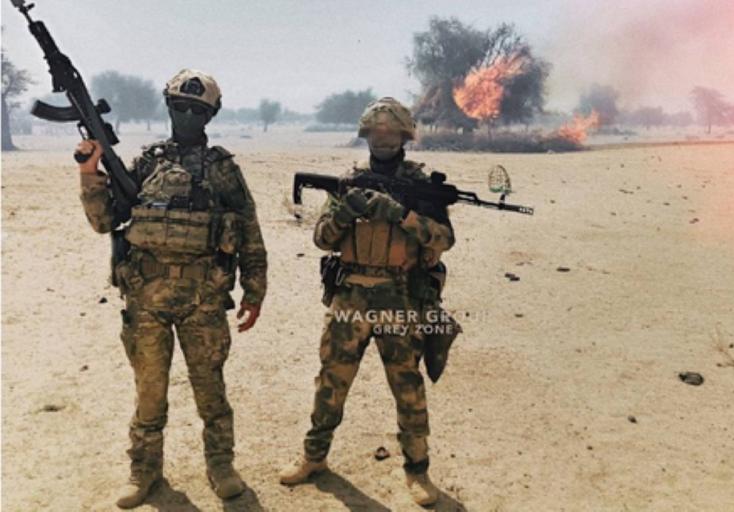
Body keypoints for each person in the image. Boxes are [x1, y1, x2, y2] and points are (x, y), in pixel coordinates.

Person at [76, 69, 267, 508]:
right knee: (149, 393)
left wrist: (254, 293)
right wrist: (89, 173)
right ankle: (144, 472)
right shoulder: (147, 164)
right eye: (180, 107)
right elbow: (105, 221)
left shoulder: (223, 170)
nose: (187, 116)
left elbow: (250, 234)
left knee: (211, 392)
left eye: (197, 111)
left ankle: (221, 466)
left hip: (204, 301)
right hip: (146, 300)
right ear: (167, 107)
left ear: (211, 115)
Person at [279, 97, 455, 506]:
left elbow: (445, 239)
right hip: (350, 297)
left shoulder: (420, 185)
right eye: (377, 133)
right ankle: (314, 457)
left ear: (404, 136)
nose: (383, 140)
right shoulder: (350, 181)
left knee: (407, 386)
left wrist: (402, 215)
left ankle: (417, 470)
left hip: (400, 297)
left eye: (391, 133)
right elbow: (322, 238)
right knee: (331, 381)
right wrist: (345, 212)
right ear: (366, 135)